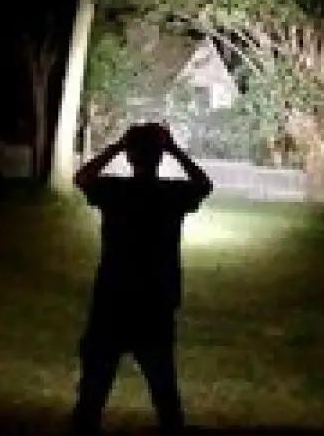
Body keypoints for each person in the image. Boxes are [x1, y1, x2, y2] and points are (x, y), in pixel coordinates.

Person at [71, 122, 213, 436]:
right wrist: (175, 150)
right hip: (155, 298)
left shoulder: (116, 191)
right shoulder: (170, 195)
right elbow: (204, 184)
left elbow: (82, 178)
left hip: (113, 296)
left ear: (130, 156)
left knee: (94, 386)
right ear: (160, 157)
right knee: (163, 385)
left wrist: (116, 147)